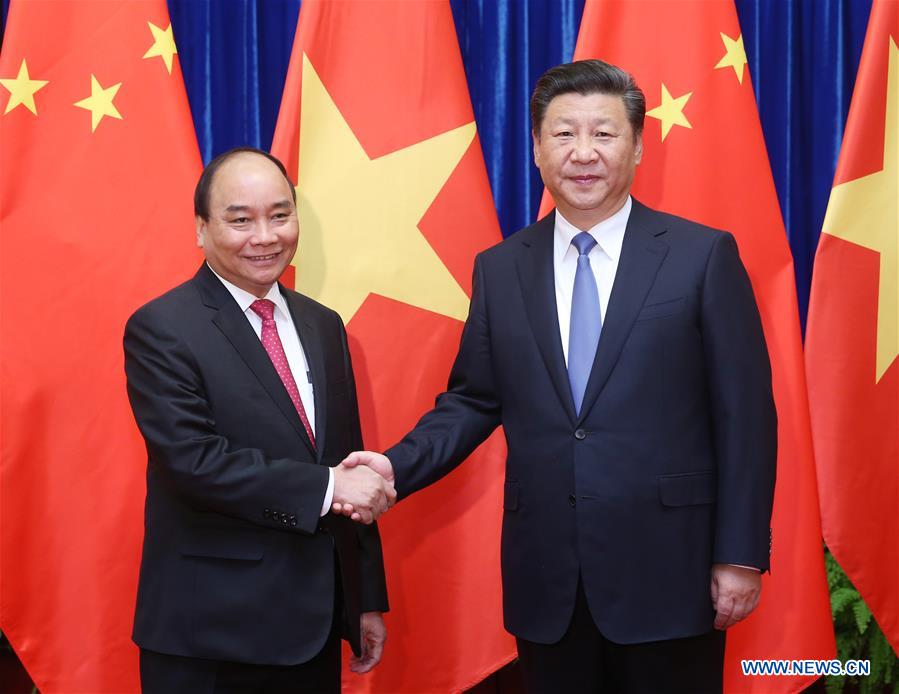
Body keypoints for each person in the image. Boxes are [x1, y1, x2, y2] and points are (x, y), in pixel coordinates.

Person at [338, 60, 776, 693]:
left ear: (637, 146)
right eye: (564, 134)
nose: (584, 153)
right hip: (549, 581)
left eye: (604, 133)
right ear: (537, 150)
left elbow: (746, 418)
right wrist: (393, 467)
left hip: (672, 573)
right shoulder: (501, 268)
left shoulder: (702, 256)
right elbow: (471, 400)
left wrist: (738, 554)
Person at [124, 147, 394, 693]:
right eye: (240, 219)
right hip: (209, 635)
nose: (266, 236)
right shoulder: (162, 328)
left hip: (314, 625)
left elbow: (345, 459)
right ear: (201, 229)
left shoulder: (324, 325)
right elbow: (193, 463)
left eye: (280, 214)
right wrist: (329, 485)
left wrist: (363, 599)